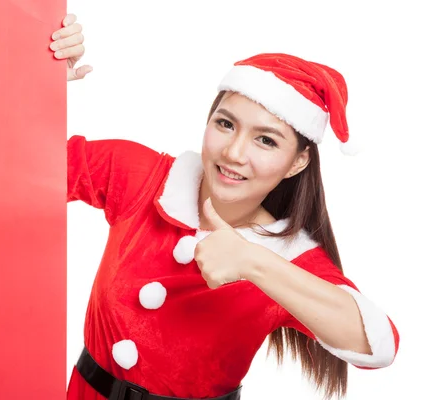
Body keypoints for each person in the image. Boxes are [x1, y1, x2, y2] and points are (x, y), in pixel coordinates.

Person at [52, 14, 400, 400]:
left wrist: (254, 262)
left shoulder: (288, 260)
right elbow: (7, 172)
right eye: (225, 124)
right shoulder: (141, 177)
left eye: (266, 141)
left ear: (298, 162)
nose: (233, 153)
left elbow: (380, 347)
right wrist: (38, 84)